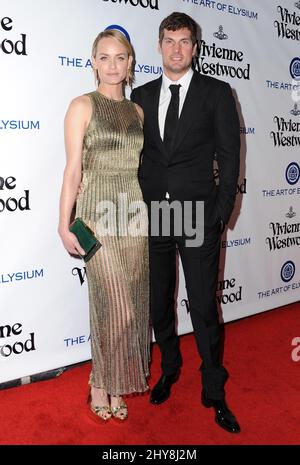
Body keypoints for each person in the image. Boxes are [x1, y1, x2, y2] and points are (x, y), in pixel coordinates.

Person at [131, 12, 241, 433]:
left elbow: (230, 158)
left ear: (195, 47)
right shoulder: (139, 96)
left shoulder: (216, 92)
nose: (177, 48)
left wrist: (220, 213)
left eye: (184, 41)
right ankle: (170, 369)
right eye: (169, 40)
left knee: (202, 307)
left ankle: (214, 389)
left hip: (199, 216)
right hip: (153, 215)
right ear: (159, 45)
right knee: (159, 304)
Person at [58, 29, 150, 423]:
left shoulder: (138, 112)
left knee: (131, 307)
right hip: (96, 216)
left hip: (133, 216)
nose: (113, 65)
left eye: (121, 57)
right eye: (105, 57)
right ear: (93, 61)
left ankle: (114, 382)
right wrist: (65, 224)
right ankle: (100, 381)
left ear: (130, 64)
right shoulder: (82, 105)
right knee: (116, 308)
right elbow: (73, 168)